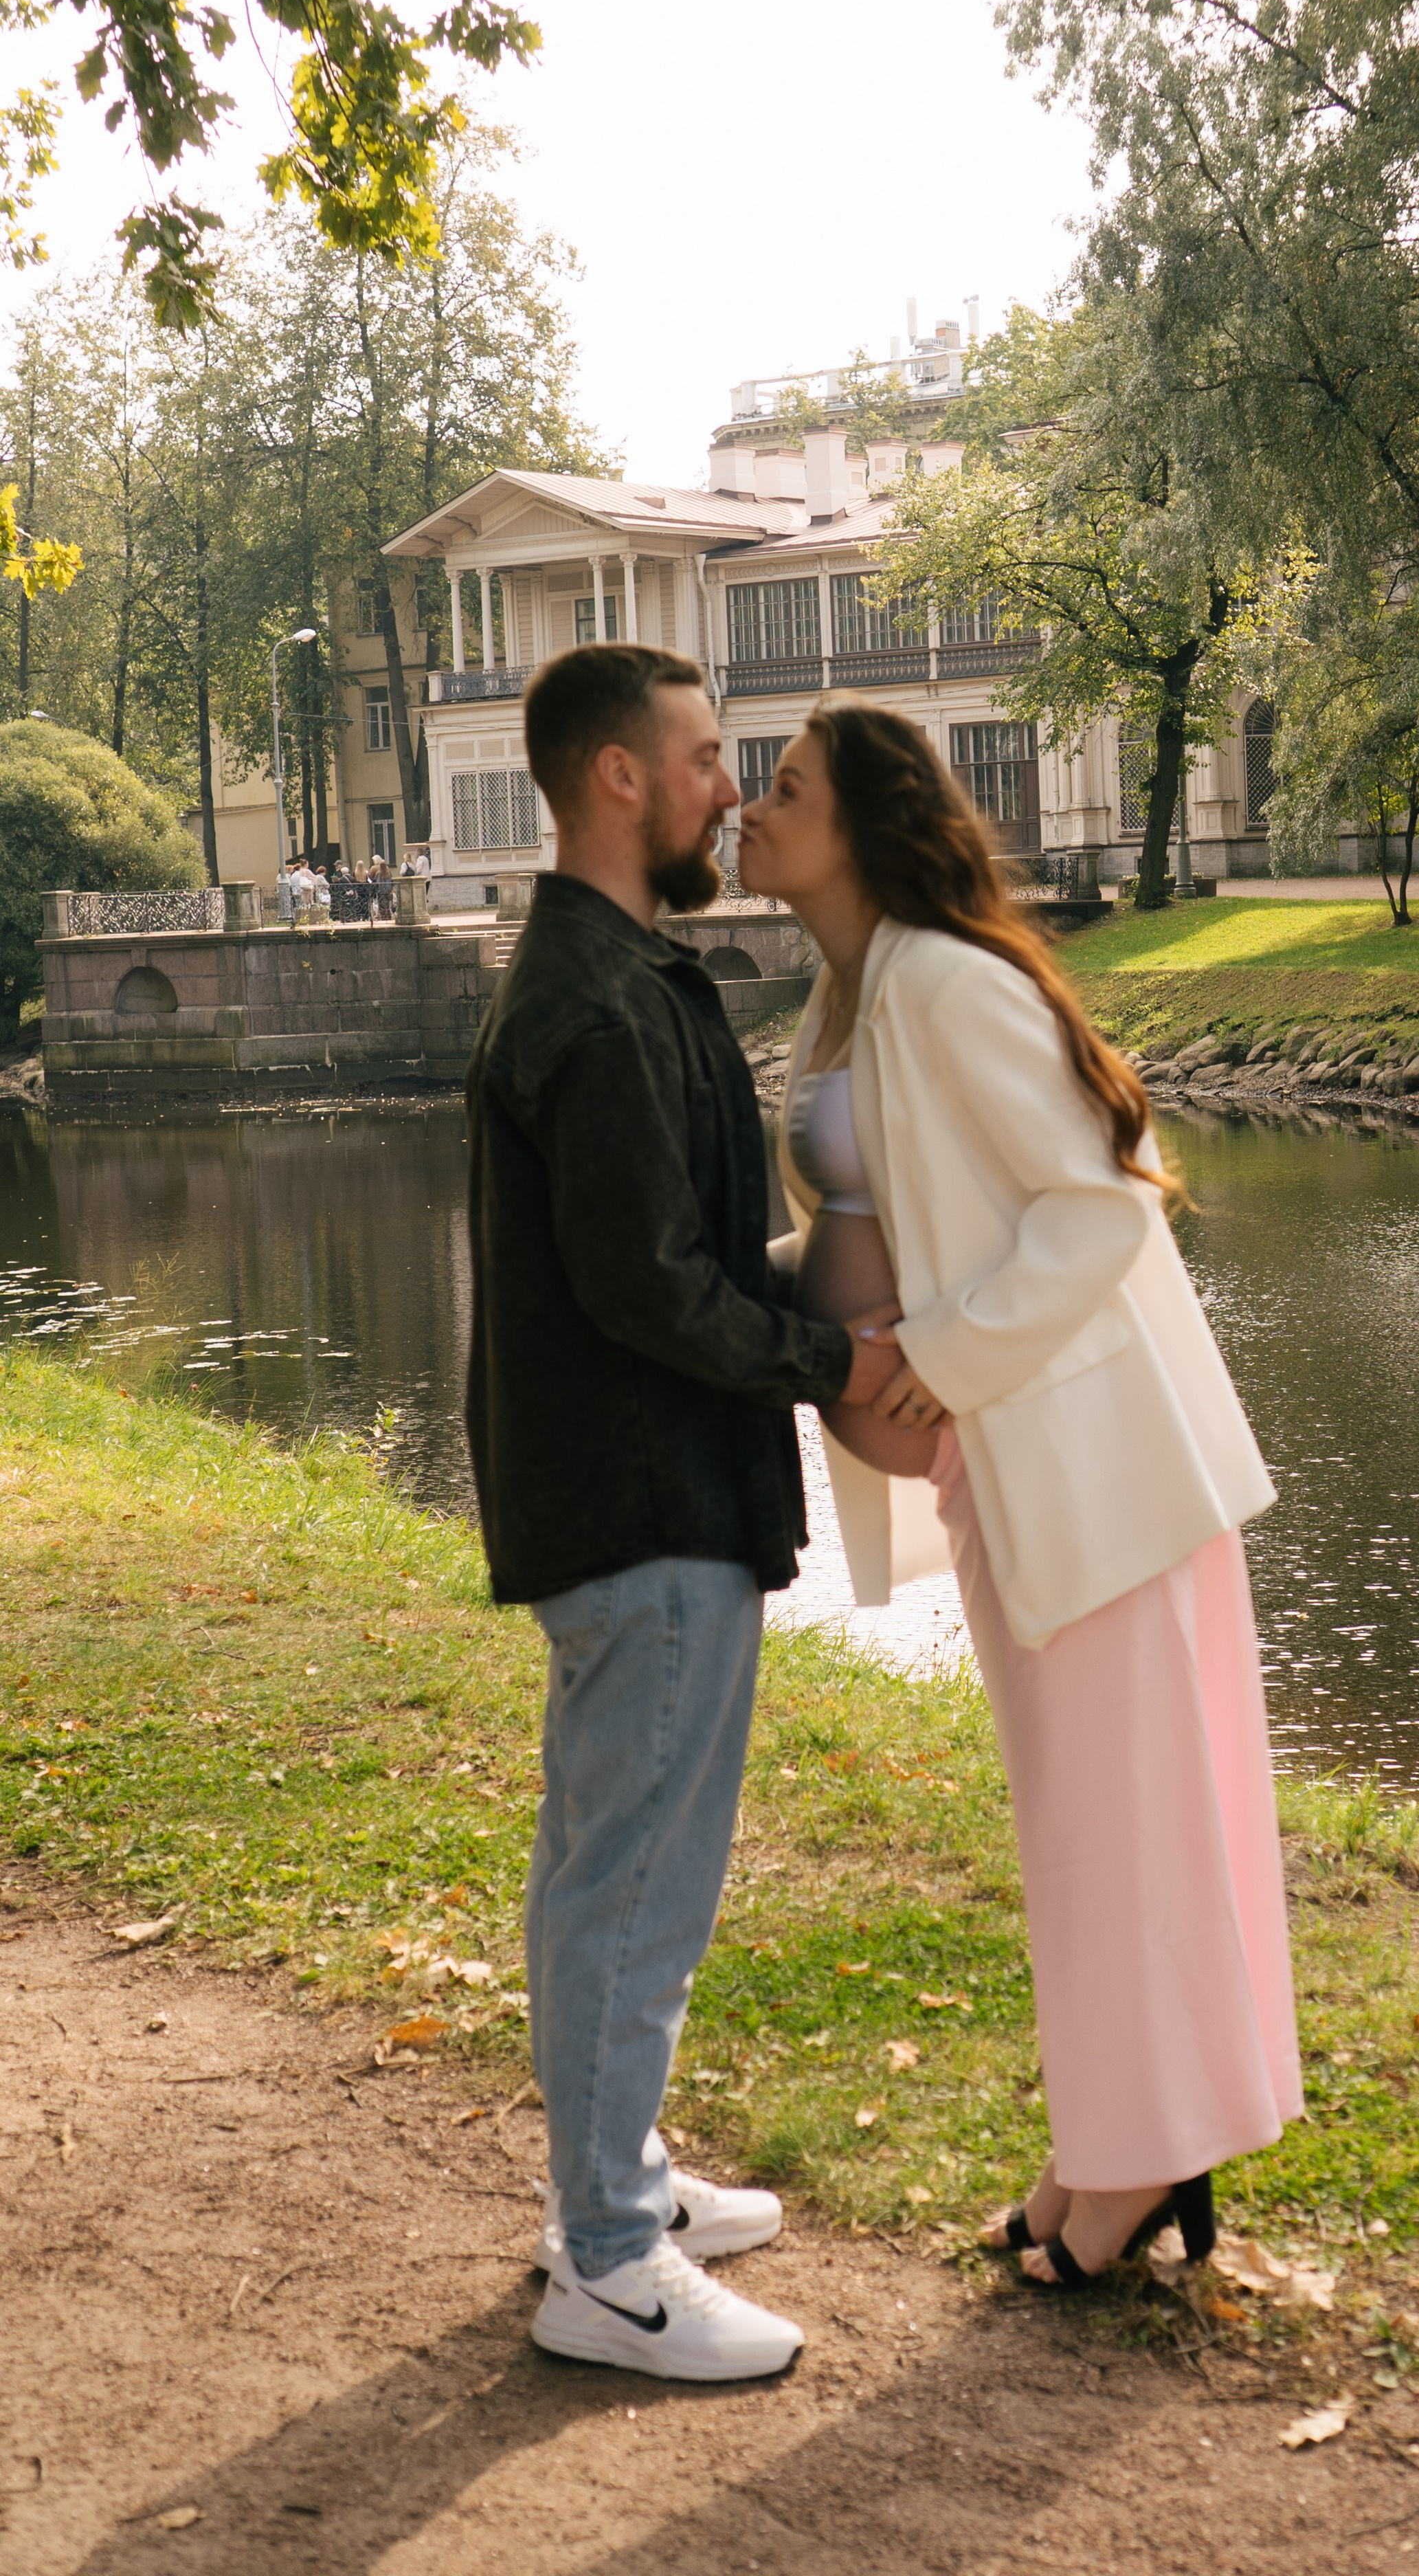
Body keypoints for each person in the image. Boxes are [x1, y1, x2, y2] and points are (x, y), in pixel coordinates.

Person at [739, 702, 1303, 2290]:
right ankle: (1106, 2144)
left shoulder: (945, 979)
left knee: (1123, 1825)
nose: (750, 812)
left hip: (1091, 1468)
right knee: (1081, 1827)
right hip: (1007, 1468)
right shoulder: (849, 992)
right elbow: (896, 1209)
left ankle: (1132, 2165)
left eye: (782, 791)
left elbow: (1095, 1204)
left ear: (862, 822)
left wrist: (940, 1350)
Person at [465, 644, 904, 2382]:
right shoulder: (585, 1002)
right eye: (710, 755)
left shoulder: (621, 973)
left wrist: (838, 1299)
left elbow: (680, 1255)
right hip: (639, 1507)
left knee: (606, 1863)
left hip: (645, 1496)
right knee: (633, 1887)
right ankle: (606, 2262)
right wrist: (827, 1362)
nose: (732, 786)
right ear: (620, 779)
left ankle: (615, 2179)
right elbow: (647, 1288)